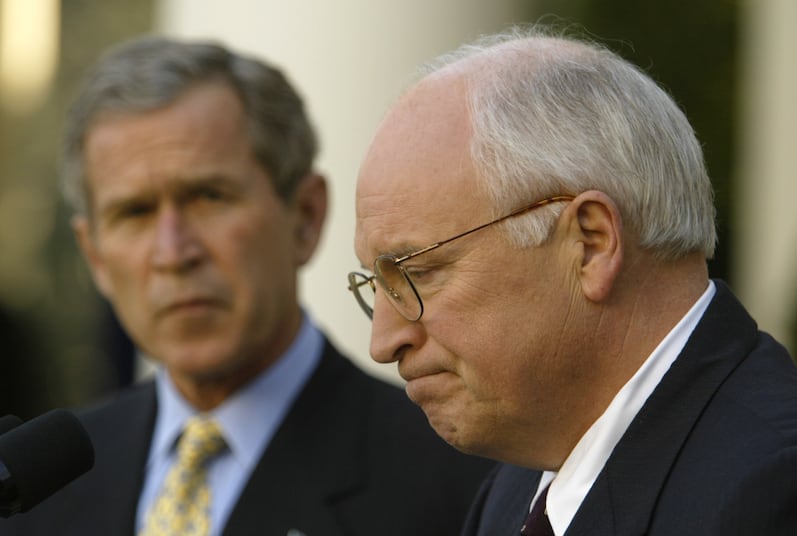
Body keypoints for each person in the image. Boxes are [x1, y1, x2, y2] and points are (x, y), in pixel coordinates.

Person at [0, 35, 492, 536]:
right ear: (95, 257)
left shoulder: (463, 478)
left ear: (305, 217)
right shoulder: (34, 491)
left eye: (209, 197)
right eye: (135, 212)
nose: (173, 253)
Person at [349, 25, 797, 535]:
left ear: (591, 244)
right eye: (376, 284)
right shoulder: (518, 488)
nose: (383, 343)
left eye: (418, 273)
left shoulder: (772, 492)